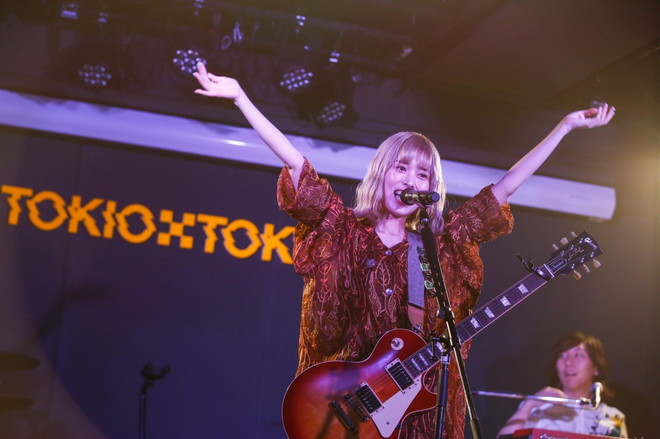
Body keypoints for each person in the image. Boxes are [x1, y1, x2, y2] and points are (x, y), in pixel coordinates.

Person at [193, 62, 615, 439]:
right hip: (347, 409)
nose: (411, 179)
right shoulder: (344, 229)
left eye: (422, 173)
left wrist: (563, 127)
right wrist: (241, 98)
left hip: (418, 416)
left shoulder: (438, 243)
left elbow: (503, 189)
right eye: (401, 167)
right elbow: (298, 166)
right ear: (383, 172)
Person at [497, 331, 628, 438]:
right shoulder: (538, 409)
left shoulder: (613, 417)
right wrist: (529, 404)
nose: (568, 362)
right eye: (562, 356)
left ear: (596, 368)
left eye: (578, 355)